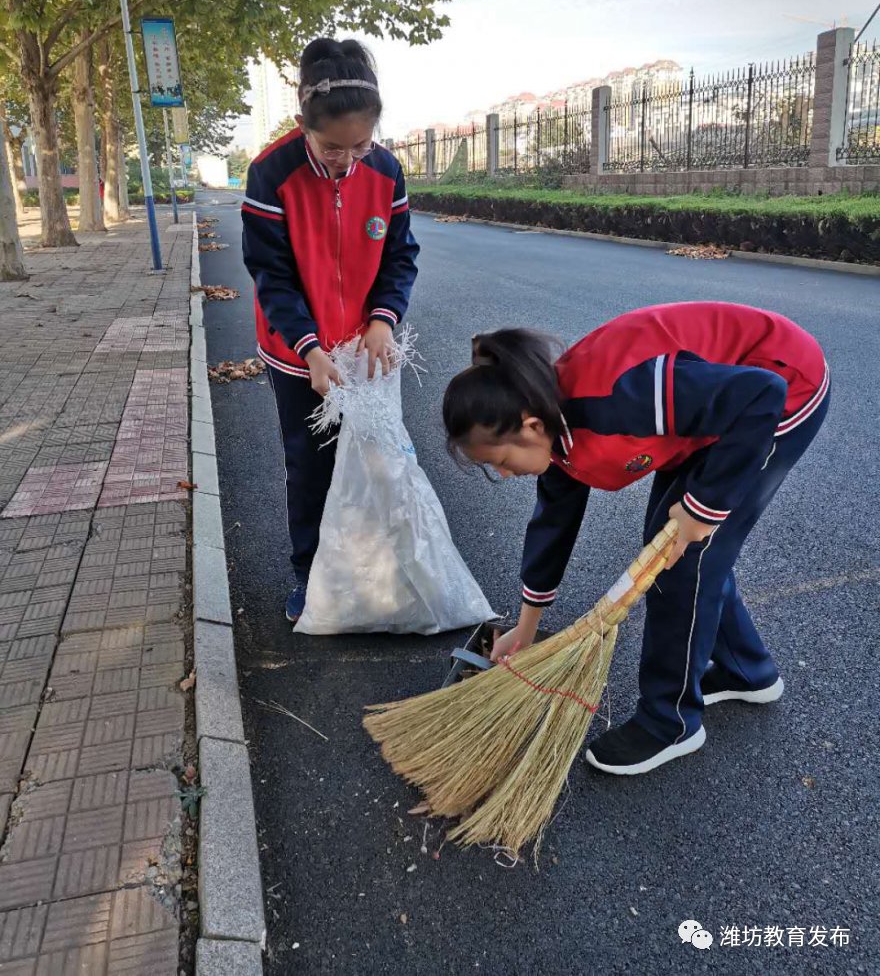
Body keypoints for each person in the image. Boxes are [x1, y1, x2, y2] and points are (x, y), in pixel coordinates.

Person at [442, 302, 830, 776]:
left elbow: (760, 394)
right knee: (676, 549)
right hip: (712, 413)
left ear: (531, 427)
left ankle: (670, 722)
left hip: (780, 391)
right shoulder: (555, 427)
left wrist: (703, 508)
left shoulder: (614, 399)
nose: (503, 472)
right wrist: (526, 629)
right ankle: (746, 669)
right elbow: (553, 525)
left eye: (499, 459)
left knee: (682, 561)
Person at [242, 38, 419, 623]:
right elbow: (272, 275)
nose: (347, 160)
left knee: (375, 459)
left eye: (361, 146)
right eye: (332, 147)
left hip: (365, 347)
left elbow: (399, 257)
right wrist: (311, 348)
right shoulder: (272, 174)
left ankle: (373, 571)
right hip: (300, 355)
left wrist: (382, 320)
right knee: (312, 463)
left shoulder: (387, 172)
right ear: (303, 125)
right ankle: (310, 574)